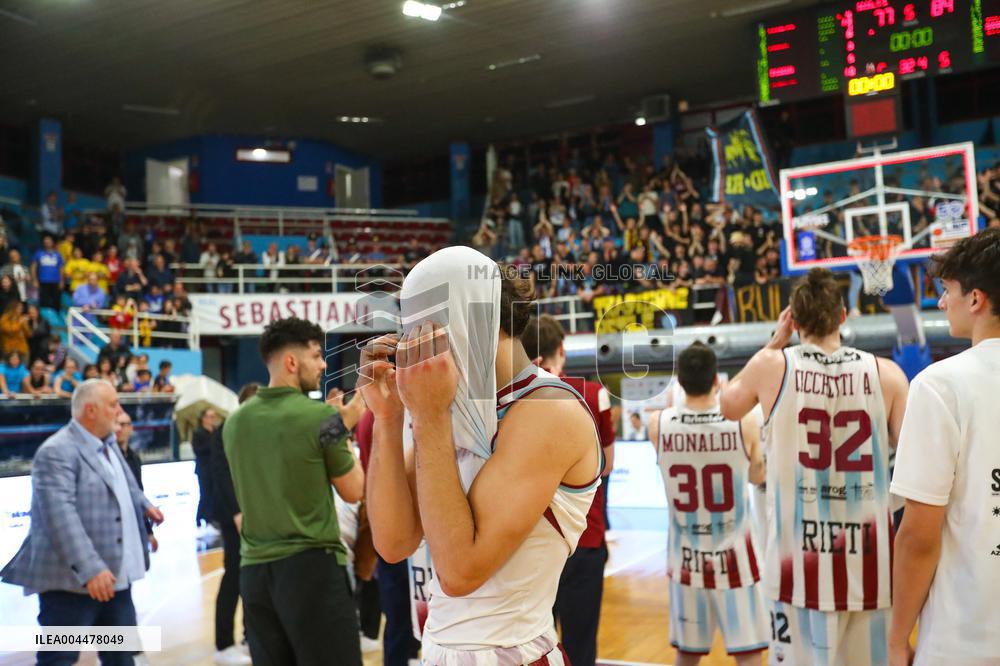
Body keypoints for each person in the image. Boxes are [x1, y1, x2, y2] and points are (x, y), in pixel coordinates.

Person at [361, 247, 602, 665]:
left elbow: (459, 572)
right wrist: (387, 417)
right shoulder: (457, 401)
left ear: (473, 318)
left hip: (512, 654)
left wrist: (429, 416)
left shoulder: (549, 410)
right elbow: (393, 543)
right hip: (440, 650)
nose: (416, 343)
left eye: (430, 326)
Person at [720, 268, 909, 666]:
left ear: (794, 319)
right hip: (870, 565)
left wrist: (774, 342)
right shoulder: (888, 374)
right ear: (843, 316)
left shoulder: (772, 365)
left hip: (796, 565)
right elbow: (912, 463)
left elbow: (728, 406)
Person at [223, 317, 366, 666]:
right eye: (316, 356)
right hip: (312, 571)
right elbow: (354, 490)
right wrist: (343, 429)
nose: (323, 364)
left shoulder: (234, 422)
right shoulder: (320, 418)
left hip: (255, 575)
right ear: (291, 362)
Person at [887, 228, 1000, 666]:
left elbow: (918, 534)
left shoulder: (939, 385)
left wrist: (898, 637)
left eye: (946, 290)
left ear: (976, 299)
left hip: (965, 640)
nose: (940, 301)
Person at [0, 379, 164, 666]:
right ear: (91, 410)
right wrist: (90, 569)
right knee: (59, 659)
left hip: (114, 577)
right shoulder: (56, 451)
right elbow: (59, 516)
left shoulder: (109, 445)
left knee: (121, 655)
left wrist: (144, 504)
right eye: (113, 404)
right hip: (71, 582)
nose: (119, 410)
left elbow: (126, 482)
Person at [647, 343, 768, 665]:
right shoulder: (744, 423)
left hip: (686, 560)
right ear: (717, 379)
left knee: (687, 656)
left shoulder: (658, 424)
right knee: (750, 654)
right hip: (737, 559)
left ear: (679, 380)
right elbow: (757, 477)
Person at [519, 314, 616, 666]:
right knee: (580, 646)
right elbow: (606, 465)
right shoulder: (593, 393)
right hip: (583, 537)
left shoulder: (515, 394)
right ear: (562, 348)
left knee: (534, 646)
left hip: (530, 539)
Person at [211, 383, 259, 666]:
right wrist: (237, 512)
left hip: (259, 514)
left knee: (254, 578)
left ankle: (250, 636)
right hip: (235, 518)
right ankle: (223, 642)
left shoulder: (260, 432)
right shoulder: (225, 430)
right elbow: (221, 474)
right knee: (233, 577)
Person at [114, 410, 158, 554]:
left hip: (133, 523)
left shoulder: (134, 458)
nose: (119, 428)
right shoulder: (108, 456)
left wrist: (148, 531)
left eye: (123, 424)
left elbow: (138, 492)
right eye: (116, 424)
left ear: (130, 428)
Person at [192, 408, 218, 530]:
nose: (212, 419)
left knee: (214, 494)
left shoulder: (216, 432)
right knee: (205, 493)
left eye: (214, 417)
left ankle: (211, 518)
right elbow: (198, 450)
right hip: (204, 469)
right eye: (210, 417)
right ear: (204, 418)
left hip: (215, 468)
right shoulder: (198, 433)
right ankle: (200, 517)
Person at [32, 234, 65, 311]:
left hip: (55, 281)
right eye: (45, 241)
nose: (47, 242)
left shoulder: (57, 254)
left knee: (56, 302)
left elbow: (61, 268)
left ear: (52, 242)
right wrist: (34, 280)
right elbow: (33, 267)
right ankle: (45, 319)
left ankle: (56, 320)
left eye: (49, 241)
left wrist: (62, 281)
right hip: (43, 281)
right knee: (43, 302)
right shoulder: (38, 253)